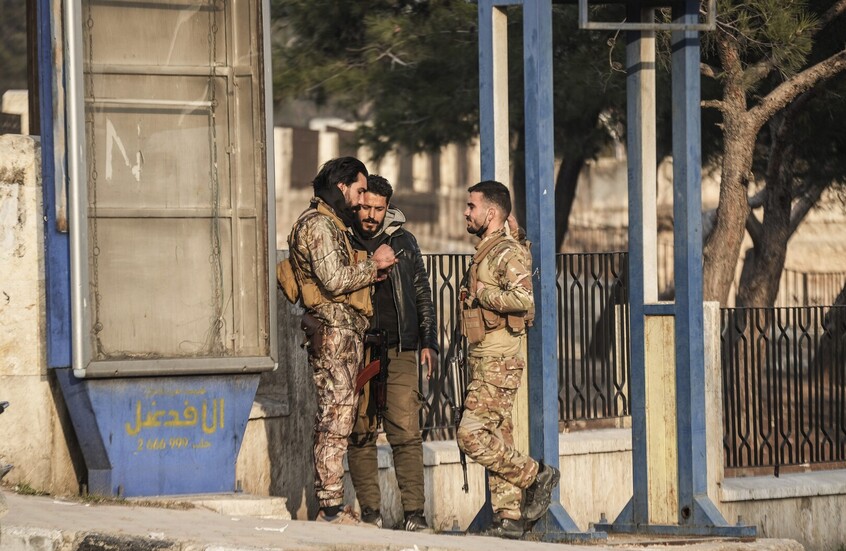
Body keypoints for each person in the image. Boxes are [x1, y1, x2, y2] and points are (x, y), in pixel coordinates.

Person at [288, 157, 397, 525]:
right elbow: (334, 280)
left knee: (341, 416)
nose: (362, 199)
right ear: (341, 187)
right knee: (335, 418)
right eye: (359, 190)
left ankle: (332, 504)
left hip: (343, 333)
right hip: (332, 333)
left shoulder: (331, 223)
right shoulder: (318, 225)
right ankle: (331, 508)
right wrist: (374, 264)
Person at [455, 180, 560, 539]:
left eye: (472, 206)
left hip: (499, 361)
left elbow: (524, 299)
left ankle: (537, 475)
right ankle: (509, 517)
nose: (466, 212)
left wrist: (483, 295)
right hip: (485, 358)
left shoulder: (504, 252)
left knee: (471, 435)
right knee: (498, 436)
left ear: (491, 213)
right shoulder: (489, 249)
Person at [347, 175, 439, 532]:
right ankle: (371, 513)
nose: (371, 215)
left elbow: (422, 292)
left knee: (406, 431)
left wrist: (428, 340)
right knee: (360, 431)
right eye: (366, 207)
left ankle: (415, 514)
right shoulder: (344, 236)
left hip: (399, 347)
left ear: (388, 208)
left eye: (379, 209)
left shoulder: (403, 241)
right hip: (357, 349)